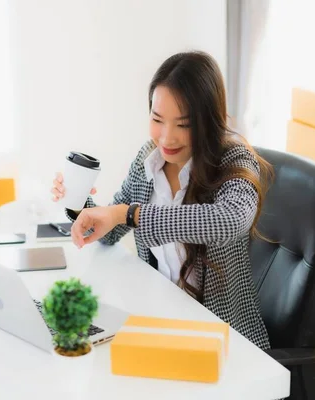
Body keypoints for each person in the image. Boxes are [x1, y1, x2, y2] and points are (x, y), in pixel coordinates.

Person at [51, 51, 272, 350]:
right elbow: (112, 229)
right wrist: (80, 205)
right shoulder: (149, 159)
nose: (167, 138)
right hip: (163, 325)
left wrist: (129, 214)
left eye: (183, 124)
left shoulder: (233, 159)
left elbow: (228, 220)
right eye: (157, 119)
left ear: (209, 121)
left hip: (226, 343)